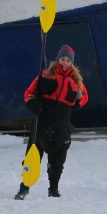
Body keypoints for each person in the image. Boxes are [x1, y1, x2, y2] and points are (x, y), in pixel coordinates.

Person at [14, 44, 88, 199]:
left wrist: (78, 101)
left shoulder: (77, 81)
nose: (65, 62)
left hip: (62, 122)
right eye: (62, 59)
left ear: (72, 62)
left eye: (68, 60)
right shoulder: (46, 74)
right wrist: (33, 103)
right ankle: (24, 187)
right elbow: (29, 93)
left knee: (58, 159)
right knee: (32, 156)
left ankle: (53, 188)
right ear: (58, 59)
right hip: (43, 120)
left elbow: (83, 99)